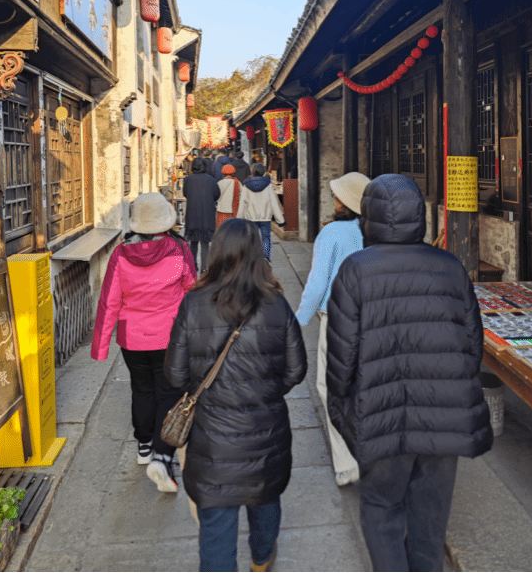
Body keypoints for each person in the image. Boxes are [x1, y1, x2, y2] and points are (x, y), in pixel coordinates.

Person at [326, 174, 493, 573]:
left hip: (380, 414)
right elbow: (473, 348)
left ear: (369, 217)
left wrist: (343, 413)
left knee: (382, 510)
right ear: (419, 215)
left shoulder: (356, 270)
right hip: (444, 416)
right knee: (430, 522)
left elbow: (341, 360)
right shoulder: (450, 267)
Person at [164, 219, 307, 573]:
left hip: (212, 439)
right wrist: (266, 392)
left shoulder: (193, 304)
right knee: (265, 500)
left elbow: (176, 374)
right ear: (258, 255)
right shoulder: (276, 304)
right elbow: (296, 370)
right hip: (266, 431)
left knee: (216, 526)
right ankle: (261, 560)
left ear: (216, 253)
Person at [91, 192, 196, 493]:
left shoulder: (120, 254)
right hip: (168, 336)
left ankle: (144, 447)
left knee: (141, 389)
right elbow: (192, 289)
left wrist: (100, 347)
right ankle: (162, 455)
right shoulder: (179, 250)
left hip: (132, 338)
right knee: (167, 392)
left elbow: (109, 301)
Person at [295, 172, 369, 487]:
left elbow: (317, 283)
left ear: (345, 202)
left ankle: (348, 461)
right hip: (372, 318)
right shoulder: (374, 232)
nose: (334, 200)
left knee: (331, 387)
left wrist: (299, 320)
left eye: (338, 195)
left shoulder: (333, 232)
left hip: (338, 319)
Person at [237, 163, 285, 261]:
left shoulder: (246, 185)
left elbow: (243, 203)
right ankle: (266, 256)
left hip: (251, 217)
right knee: (266, 237)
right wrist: (280, 220)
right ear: (263, 171)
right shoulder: (268, 184)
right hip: (265, 217)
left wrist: (239, 219)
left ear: (253, 171)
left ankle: (253, 257)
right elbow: (274, 203)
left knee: (252, 238)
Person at [183, 157, 220, 273]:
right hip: (207, 214)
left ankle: (193, 265)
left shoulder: (188, 179)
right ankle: (204, 267)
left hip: (192, 213)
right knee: (205, 242)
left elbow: (185, 193)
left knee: (193, 241)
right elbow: (217, 194)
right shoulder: (211, 179)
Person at [216, 163, 241, 228]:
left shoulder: (220, 183)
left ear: (223, 173)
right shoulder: (237, 183)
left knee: (221, 229)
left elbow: (217, 196)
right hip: (233, 211)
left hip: (221, 210)